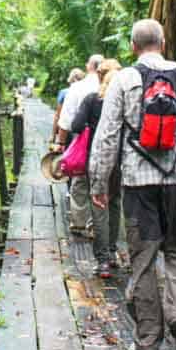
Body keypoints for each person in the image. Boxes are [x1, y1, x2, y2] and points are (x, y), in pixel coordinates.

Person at [88, 19, 176, 350]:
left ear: (133, 47)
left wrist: (99, 183)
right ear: (163, 42)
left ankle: (147, 343)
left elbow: (106, 136)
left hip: (138, 188)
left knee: (143, 263)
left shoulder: (124, 79)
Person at [70, 58, 123, 278]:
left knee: (98, 205)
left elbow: (75, 125)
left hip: (97, 158)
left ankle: (102, 261)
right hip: (120, 159)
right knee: (114, 203)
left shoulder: (93, 100)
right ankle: (111, 251)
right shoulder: (124, 99)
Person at [53, 53, 104, 237]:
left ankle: (79, 222)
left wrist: (60, 142)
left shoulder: (77, 87)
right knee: (100, 182)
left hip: (83, 139)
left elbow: (66, 119)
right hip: (106, 141)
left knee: (80, 180)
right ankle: (95, 224)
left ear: (88, 67)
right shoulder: (108, 85)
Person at [52, 68, 85, 141]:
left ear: (71, 78)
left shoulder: (64, 92)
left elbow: (58, 115)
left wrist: (53, 136)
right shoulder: (86, 92)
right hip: (79, 130)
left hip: (65, 129)